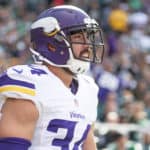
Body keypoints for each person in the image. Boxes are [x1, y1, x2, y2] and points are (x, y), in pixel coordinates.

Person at [0, 5, 104, 150]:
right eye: (79, 37)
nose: (87, 45)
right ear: (52, 45)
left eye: (88, 37)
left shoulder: (89, 88)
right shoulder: (30, 83)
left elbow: (87, 144)